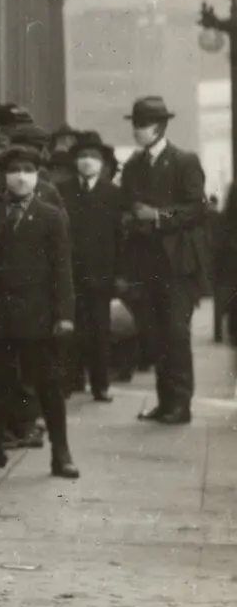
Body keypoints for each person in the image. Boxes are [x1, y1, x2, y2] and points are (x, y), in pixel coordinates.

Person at [0, 145, 79, 478]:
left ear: (38, 176)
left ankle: (61, 452)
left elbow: (63, 269)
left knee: (49, 385)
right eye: (14, 170)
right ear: (3, 176)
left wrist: (64, 315)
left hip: (38, 315)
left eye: (28, 170)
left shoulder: (50, 216)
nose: (21, 177)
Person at [119, 96, 209, 425]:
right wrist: (131, 217)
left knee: (175, 333)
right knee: (154, 334)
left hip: (177, 264)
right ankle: (165, 401)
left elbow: (197, 207)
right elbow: (126, 204)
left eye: (142, 124)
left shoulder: (184, 161)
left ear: (159, 127)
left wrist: (158, 215)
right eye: (135, 124)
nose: (137, 130)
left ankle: (180, 404)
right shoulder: (132, 166)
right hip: (146, 261)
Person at [61, 132, 122, 403]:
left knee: (100, 330)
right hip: (70, 273)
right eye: (83, 156)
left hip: (102, 272)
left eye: (93, 157)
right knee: (71, 328)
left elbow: (121, 236)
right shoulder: (63, 190)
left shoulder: (113, 193)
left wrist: (120, 273)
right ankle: (72, 380)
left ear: (103, 162)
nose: (87, 161)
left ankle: (101, 384)